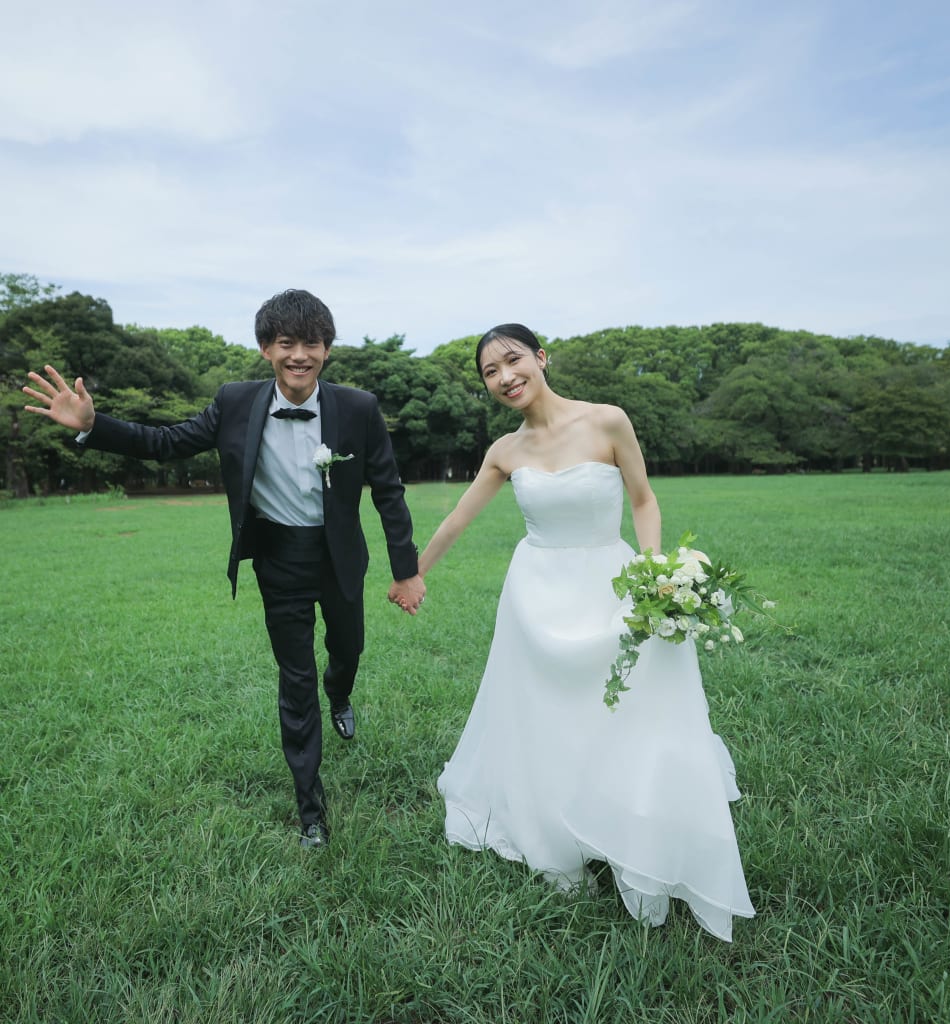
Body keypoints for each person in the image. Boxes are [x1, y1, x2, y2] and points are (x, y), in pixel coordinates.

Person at [23, 289, 425, 849]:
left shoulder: (358, 407)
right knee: (295, 681)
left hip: (339, 559)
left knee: (347, 650)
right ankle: (312, 811)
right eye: (287, 344)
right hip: (277, 561)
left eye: (312, 343)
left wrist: (406, 570)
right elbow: (166, 442)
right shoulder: (234, 403)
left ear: (327, 350)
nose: (299, 355)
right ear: (266, 348)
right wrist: (96, 424)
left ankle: (342, 693)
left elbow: (388, 491)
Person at [413, 323, 755, 937]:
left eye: (513, 360)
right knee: (546, 712)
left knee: (632, 706)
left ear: (541, 358)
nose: (504, 377)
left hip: (612, 581)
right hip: (537, 593)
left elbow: (644, 499)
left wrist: (655, 576)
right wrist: (411, 574)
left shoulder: (607, 420)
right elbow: (459, 519)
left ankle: (633, 815)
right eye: (490, 372)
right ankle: (557, 818)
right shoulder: (504, 451)